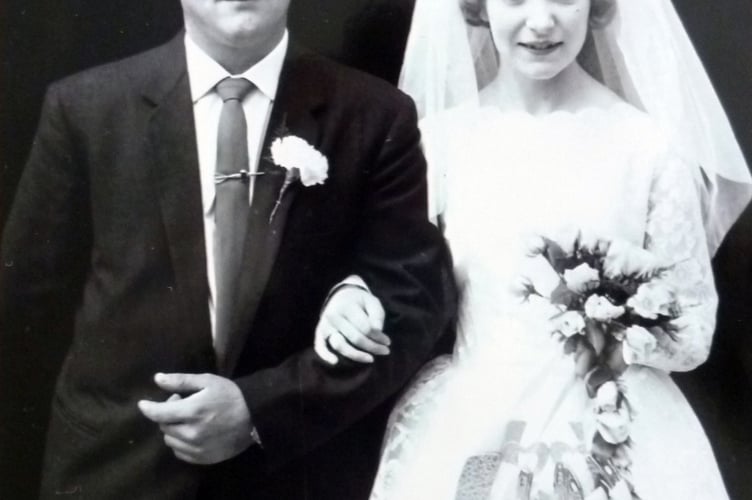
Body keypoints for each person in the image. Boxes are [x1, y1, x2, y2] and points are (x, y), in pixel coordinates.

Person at [0, 0, 455, 498]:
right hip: (112, 471)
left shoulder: (375, 115)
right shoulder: (85, 109)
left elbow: (410, 303)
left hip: (294, 473)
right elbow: (27, 313)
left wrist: (261, 411)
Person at [315, 0, 752, 498]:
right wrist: (352, 294)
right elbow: (396, 282)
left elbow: (694, 333)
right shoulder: (439, 143)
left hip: (617, 427)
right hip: (473, 424)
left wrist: (624, 319)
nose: (541, 21)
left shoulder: (647, 147)